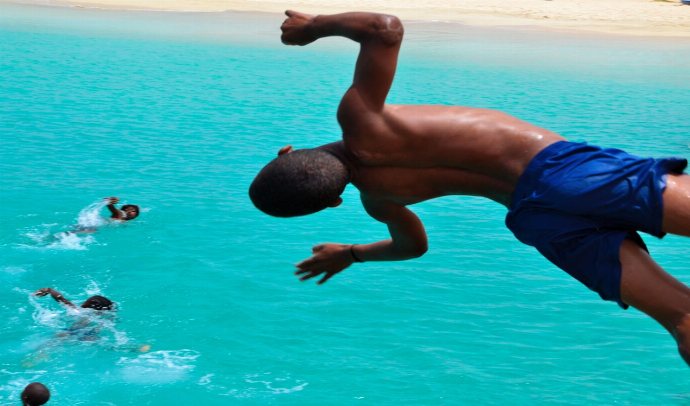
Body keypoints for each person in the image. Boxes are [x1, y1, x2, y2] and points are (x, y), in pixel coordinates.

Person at [249, 11, 690, 365]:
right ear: (286, 151)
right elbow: (384, 29)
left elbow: (412, 246)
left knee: (683, 318)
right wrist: (313, 28)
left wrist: (350, 253)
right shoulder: (361, 121)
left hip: (534, 218)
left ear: (333, 201)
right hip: (563, 173)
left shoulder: (379, 201)